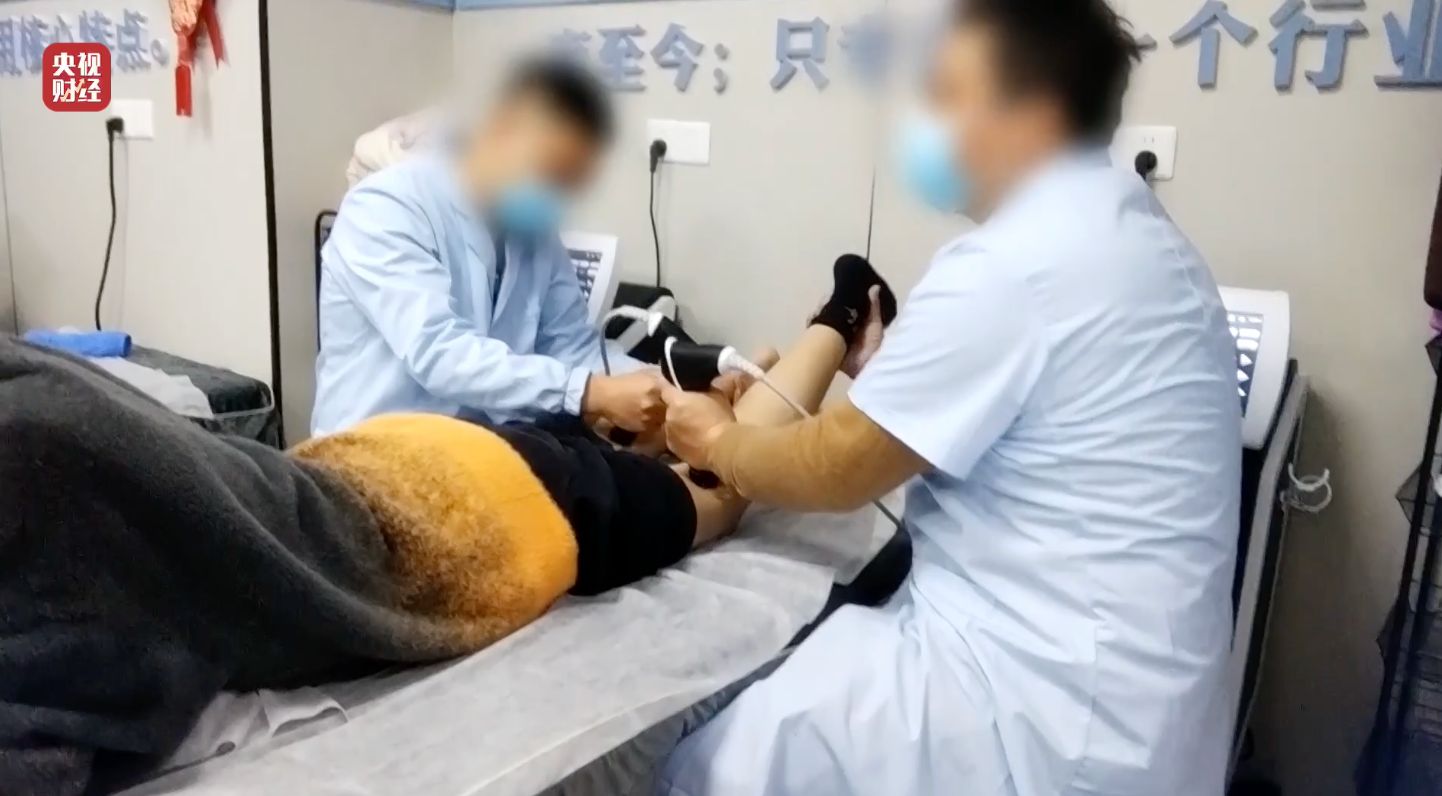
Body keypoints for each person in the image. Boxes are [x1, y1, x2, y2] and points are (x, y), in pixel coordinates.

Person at [0, 258, 892, 794]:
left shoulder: (43, 567)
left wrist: (716, 439)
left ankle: (844, 307)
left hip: (481, 516)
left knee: (717, 489)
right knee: (675, 450)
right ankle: (741, 381)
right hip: (390, 454)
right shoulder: (27, 388)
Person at [658, 0, 1243, 793]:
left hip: (1035, 705)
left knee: (731, 761)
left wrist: (719, 443)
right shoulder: (1136, 234)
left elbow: (837, 466)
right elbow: (1044, 425)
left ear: (1032, 110)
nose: (923, 122)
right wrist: (887, 374)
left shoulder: (1012, 262)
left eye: (943, 95)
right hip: (1138, 708)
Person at [312, 58, 662, 437]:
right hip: (371, 453)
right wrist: (590, 392)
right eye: (549, 169)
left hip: (480, 449)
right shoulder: (386, 207)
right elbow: (440, 353)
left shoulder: (533, 232)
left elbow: (572, 347)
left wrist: (666, 387)